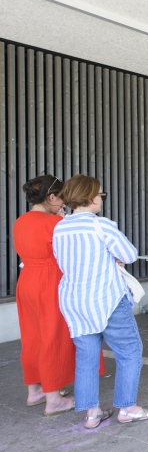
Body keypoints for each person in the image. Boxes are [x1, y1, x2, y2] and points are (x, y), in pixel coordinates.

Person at [52, 174, 148, 428]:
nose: (102, 199)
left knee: (86, 357)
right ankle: (127, 408)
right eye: (101, 194)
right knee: (129, 352)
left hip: (74, 301)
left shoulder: (60, 227)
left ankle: (91, 414)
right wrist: (113, 258)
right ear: (90, 197)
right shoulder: (101, 225)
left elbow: (63, 260)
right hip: (107, 298)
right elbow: (130, 254)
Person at [13, 174, 78, 415]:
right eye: (61, 199)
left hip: (27, 280)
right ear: (51, 197)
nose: (64, 205)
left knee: (32, 336)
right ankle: (54, 399)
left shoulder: (20, 221)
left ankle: (35, 391)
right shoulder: (55, 224)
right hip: (50, 280)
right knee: (53, 336)